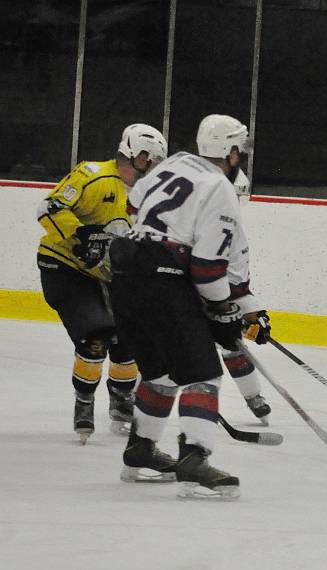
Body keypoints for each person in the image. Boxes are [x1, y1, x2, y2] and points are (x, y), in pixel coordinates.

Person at [104, 114, 271, 500]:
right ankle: (195, 459)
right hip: (164, 282)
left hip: (126, 278)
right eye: (238, 150)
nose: (239, 157)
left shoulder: (176, 162)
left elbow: (133, 203)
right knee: (203, 375)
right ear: (229, 151)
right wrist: (222, 311)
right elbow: (209, 270)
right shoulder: (220, 187)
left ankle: (140, 450)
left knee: (161, 375)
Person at [36, 123, 167, 443]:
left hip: (109, 276)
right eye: (151, 160)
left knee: (130, 337)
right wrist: (80, 236)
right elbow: (47, 209)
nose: (153, 168)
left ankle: (122, 401)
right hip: (65, 268)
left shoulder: (147, 195)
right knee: (97, 333)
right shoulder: (92, 175)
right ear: (138, 154)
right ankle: (84, 401)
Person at [219, 169, 272, 425]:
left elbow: (239, 285)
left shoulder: (235, 235)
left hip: (217, 299)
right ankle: (134, 400)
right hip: (184, 299)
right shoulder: (193, 223)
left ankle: (253, 396)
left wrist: (252, 314)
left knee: (232, 345)